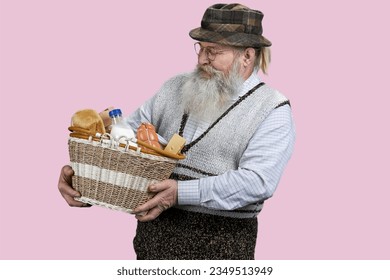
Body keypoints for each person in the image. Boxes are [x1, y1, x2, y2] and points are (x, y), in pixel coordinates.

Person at [58, 3, 295, 260]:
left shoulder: (273, 109)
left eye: (214, 51)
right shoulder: (173, 88)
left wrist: (179, 194)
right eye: (201, 49)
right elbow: (126, 143)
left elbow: (257, 182)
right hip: (150, 250)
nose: (203, 59)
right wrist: (87, 178)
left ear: (247, 57)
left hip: (221, 254)